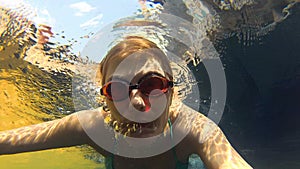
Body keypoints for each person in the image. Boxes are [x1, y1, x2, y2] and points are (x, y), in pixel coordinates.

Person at [0, 36, 252, 169]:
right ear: (105, 100)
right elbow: (9, 141)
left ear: (171, 92)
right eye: (118, 90)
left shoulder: (192, 128)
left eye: (152, 85)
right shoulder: (94, 126)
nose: (138, 104)